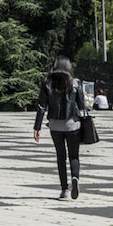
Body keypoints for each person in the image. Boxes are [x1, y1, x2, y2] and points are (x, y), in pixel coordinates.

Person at [34, 55, 86, 200]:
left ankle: (64, 190)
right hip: (72, 124)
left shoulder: (47, 83)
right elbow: (81, 105)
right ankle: (75, 178)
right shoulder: (75, 83)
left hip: (55, 125)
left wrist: (37, 127)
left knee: (60, 156)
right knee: (74, 155)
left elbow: (41, 106)